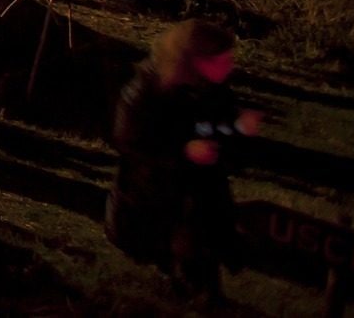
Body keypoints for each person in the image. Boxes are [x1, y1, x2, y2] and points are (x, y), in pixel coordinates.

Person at [107, 21, 263, 301]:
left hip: (199, 197)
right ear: (192, 58)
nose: (227, 65)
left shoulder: (212, 92)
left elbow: (225, 138)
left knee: (204, 238)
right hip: (150, 198)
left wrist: (239, 130)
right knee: (186, 240)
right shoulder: (144, 90)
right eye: (220, 59)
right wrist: (183, 152)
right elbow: (132, 143)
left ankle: (205, 289)